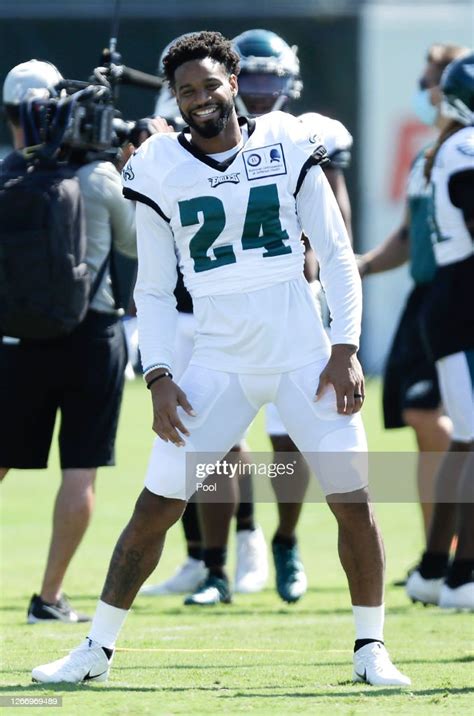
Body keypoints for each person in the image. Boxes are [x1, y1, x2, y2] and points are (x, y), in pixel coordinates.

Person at [32, 31, 410, 686]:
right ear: (174, 100)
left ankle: (370, 646)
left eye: (210, 85)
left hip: (302, 353)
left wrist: (345, 349)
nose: (200, 99)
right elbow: (149, 287)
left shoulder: (289, 140)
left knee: (353, 498)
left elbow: (338, 254)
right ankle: (95, 649)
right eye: (186, 91)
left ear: (234, 84)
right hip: (216, 359)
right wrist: (158, 376)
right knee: (156, 505)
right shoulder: (154, 165)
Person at [142, 28, 355, 605]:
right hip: (208, 312)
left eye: (269, 79)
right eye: (252, 78)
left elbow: (336, 230)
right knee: (218, 444)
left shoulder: (300, 136)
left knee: (289, 447)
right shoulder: (180, 127)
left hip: (292, 309)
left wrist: (343, 335)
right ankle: (220, 556)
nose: (259, 93)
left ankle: (282, 538)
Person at [0, 59, 137, 623]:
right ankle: (49, 598)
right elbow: (137, 243)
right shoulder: (101, 180)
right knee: (80, 469)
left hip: (18, 339)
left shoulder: (7, 176)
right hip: (92, 337)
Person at [357, 44, 468, 564]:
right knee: (425, 417)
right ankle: (439, 551)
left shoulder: (459, 150)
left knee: (442, 423)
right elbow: (405, 240)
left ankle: (446, 553)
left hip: (455, 297)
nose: (429, 92)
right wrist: (354, 267)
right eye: (426, 81)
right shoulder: (432, 156)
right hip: (435, 299)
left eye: (437, 81)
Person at [405, 51, 474, 611]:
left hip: (456, 302)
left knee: (466, 441)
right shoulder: (464, 147)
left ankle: (436, 568)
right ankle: (462, 574)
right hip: (464, 302)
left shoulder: (450, 146)